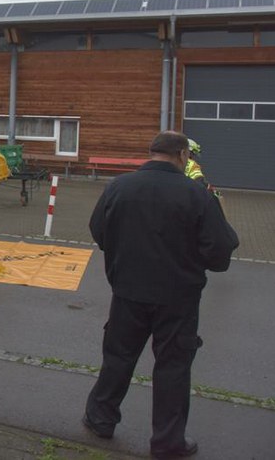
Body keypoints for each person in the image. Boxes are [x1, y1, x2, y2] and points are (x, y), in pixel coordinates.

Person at [83, 131, 239, 459]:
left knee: (118, 358)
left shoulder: (118, 187)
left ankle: (100, 419)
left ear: (152, 152)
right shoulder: (197, 195)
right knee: (172, 368)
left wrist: (124, 253)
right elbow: (219, 254)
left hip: (127, 292)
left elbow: (98, 230)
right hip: (178, 299)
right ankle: (168, 442)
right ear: (182, 155)